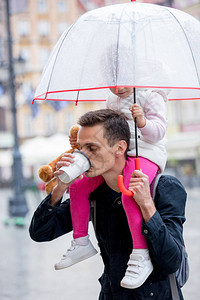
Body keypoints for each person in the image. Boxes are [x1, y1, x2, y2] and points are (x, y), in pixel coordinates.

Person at [29, 109, 186, 299]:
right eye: (80, 147)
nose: (84, 155)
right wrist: (60, 188)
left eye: (92, 148)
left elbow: (171, 261)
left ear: (120, 148)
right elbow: (41, 232)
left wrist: (146, 204)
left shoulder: (163, 188)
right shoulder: (93, 193)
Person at [54, 87, 168, 289]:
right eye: (112, 81)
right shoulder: (112, 98)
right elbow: (111, 129)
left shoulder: (152, 95)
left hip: (147, 152)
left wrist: (142, 122)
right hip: (124, 152)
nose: (117, 88)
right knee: (79, 186)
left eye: (121, 79)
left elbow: (158, 132)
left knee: (128, 192)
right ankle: (80, 242)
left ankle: (141, 253)